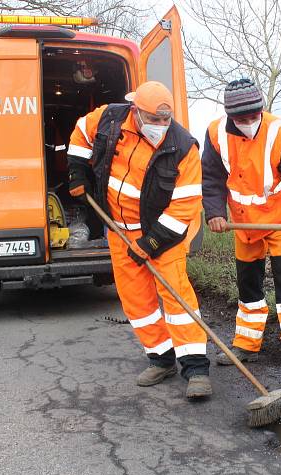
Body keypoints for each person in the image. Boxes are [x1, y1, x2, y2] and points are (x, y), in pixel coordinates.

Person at [67, 81, 211, 399]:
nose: (160, 126)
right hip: (119, 229)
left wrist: (150, 244)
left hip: (164, 234)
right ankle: (161, 359)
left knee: (177, 298)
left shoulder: (184, 146)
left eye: (165, 119)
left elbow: (184, 207)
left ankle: (196, 368)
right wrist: (77, 170)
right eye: (153, 119)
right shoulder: (109, 119)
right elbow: (80, 132)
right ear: (136, 112)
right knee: (137, 301)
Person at [201, 78, 281, 388]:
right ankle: (246, 345)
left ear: (261, 109)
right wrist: (216, 213)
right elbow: (211, 177)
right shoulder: (216, 134)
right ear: (230, 116)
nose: (249, 123)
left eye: (253, 116)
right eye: (241, 119)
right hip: (244, 226)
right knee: (248, 287)